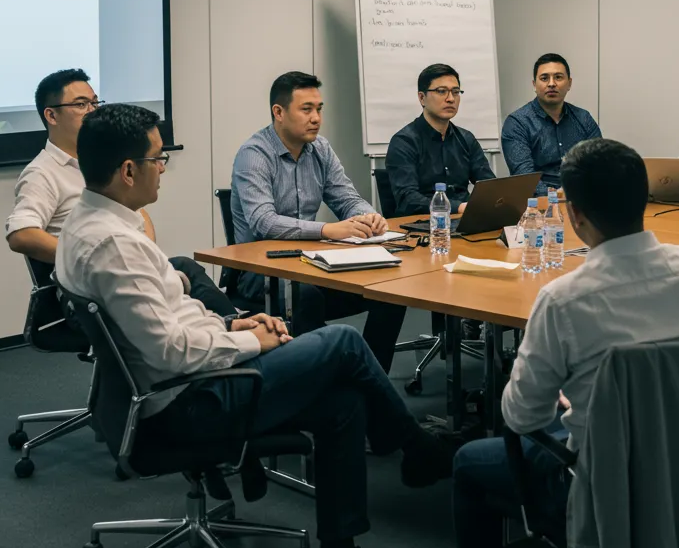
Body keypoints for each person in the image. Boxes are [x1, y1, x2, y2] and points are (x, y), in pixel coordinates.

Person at [57, 103, 453, 548]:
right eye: (159, 158)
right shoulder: (113, 243)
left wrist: (231, 322)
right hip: (188, 402)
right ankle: (417, 448)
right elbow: (170, 352)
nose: (164, 167)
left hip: (180, 383)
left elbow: (167, 317)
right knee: (343, 342)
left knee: (343, 405)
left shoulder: (89, 221)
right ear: (128, 170)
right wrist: (251, 341)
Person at [420, 138, 679, 548]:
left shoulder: (566, 299)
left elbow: (522, 417)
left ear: (573, 213)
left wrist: (575, 400)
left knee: (471, 462)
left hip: (608, 484)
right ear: (644, 198)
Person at [5, 68, 228, 313]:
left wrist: (141, 255)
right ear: (52, 115)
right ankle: (237, 331)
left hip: (128, 269)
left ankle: (236, 328)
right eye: (81, 104)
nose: (92, 112)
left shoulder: (99, 161)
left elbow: (136, 212)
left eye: (94, 103)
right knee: (185, 277)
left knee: (185, 269)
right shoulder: (42, 173)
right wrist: (92, 258)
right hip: (87, 291)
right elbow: (21, 234)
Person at [230, 71, 406, 372]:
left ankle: (371, 374)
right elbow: (264, 222)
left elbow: (346, 198)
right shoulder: (254, 154)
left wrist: (369, 216)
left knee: (390, 288)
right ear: (279, 112)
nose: (316, 118)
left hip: (311, 262)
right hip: (260, 270)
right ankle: (330, 377)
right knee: (305, 295)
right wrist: (328, 229)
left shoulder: (320, 149)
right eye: (306, 109)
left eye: (319, 109)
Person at [385, 63, 496, 216]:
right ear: (422, 98)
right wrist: (457, 207)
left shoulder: (466, 139)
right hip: (424, 226)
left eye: (455, 92)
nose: (450, 99)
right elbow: (408, 200)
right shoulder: (404, 142)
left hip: (465, 222)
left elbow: (488, 186)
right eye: (441, 91)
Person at [501, 53, 601, 196]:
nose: (552, 83)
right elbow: (524, 176)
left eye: (558, 77)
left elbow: (599, 163)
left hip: (582, 199)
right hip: (537, 205)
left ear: (569, 83)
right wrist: (557, 196)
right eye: (544, 78)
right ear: (534, 85)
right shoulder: (517, 123)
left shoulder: (583, 118)